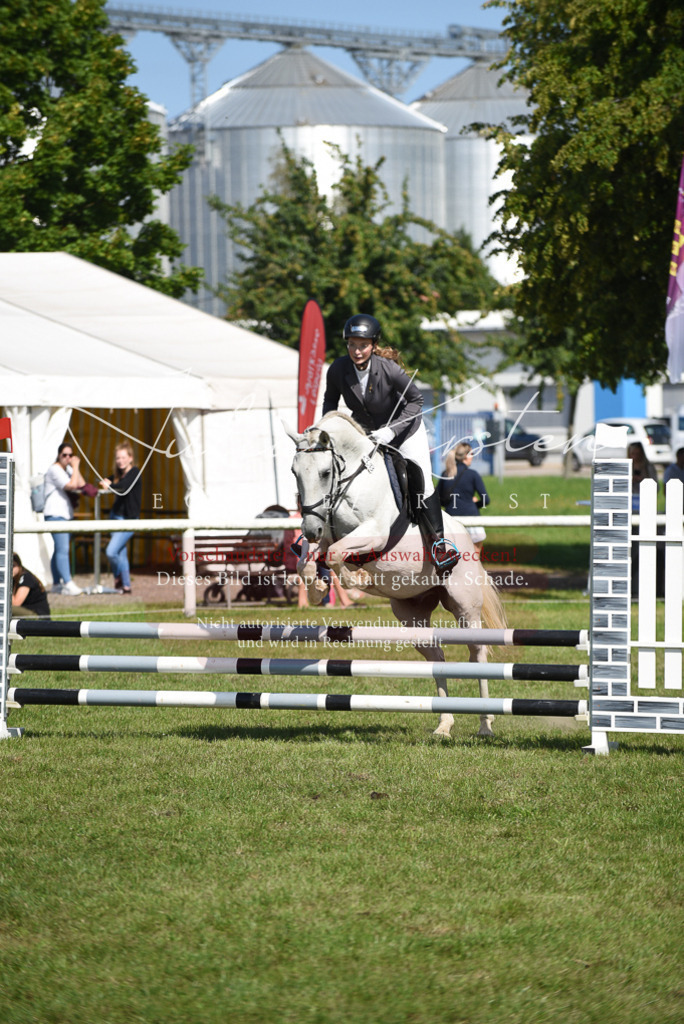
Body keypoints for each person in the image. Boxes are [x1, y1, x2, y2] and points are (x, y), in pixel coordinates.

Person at [321, 313, 460, 572]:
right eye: (352, 344)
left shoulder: (388, 369)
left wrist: (391, 431)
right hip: (365, 429)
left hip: (404, 429)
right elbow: (330, 401)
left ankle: (439, 546)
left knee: (420, 478)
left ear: (373, 345)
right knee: (332, 469)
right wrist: (327, 428)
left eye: (362, 345)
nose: (357, 350)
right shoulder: (338, 369)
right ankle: (320, 536)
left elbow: (416, 401)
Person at [99, 442, 142, 595]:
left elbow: (123, 487)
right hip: (115, 517)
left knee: (111, 551)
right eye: (118, 458)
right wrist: (106, 482)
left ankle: (118, 576)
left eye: (123, 457)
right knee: (121, 552)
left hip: (129, 520)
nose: (120, 461)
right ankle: (126, 586)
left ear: (130, 458)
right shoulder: (118, 475)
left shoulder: (135, 472)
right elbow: (108, 481)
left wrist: (109, 485)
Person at [43, 441, 86, 595]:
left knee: (58, 549)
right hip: (55, 514)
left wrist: (75, 468)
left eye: (70, 455)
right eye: (64, 455)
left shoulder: (67, 469)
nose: (68, 457)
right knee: (63, 549)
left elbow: (82, 484)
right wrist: (74, 467)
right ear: (59, 455)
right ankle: (67, 582)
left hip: (64, 515)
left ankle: (56, 584)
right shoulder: (55, 470)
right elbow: (72, 486)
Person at [437, 443, 489, 553]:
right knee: (475, 551)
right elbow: (486, 500)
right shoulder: (473, 474)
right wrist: (474, 503)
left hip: (451, 519)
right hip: (471, 518)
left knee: (454, 551)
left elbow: (438, 500)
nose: (473, 457)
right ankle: (473, 570)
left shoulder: (445, 474)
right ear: (466, 456)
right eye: (472, 454)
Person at [12, 553, 51, 617]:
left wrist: (7, 586)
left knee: (7, 609)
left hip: (38, 615)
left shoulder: (26, 577)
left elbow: (16, 603)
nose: (10, 569)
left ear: (19, 566)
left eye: (13, 566)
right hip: (26, 611)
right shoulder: (14, 578)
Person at [628, 441, 658, 512]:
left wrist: (644, 480)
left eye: (638, 454)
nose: (635, 457)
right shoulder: (626, 468)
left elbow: (656, 486)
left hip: (646, 501)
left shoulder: (649, 467)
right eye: (633, 454)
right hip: (630, 502)